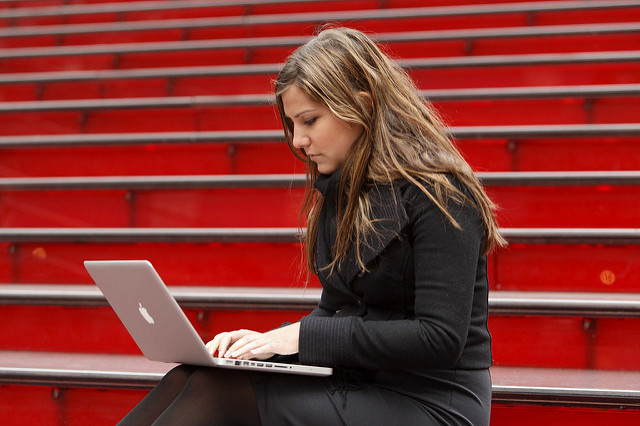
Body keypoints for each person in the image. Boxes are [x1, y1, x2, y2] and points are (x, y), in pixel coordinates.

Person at [118, 26, 506, 425]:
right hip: (363, 383)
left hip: (435, 400)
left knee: (218, 396)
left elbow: (439, 338)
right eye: (292, 124)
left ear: (362, 106)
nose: (298, 140)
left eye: (309, 121)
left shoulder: (440, 192)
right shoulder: (341, 188)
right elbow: (336, 310)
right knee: (197, 375)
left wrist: (299, 338)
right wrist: (261, 344)